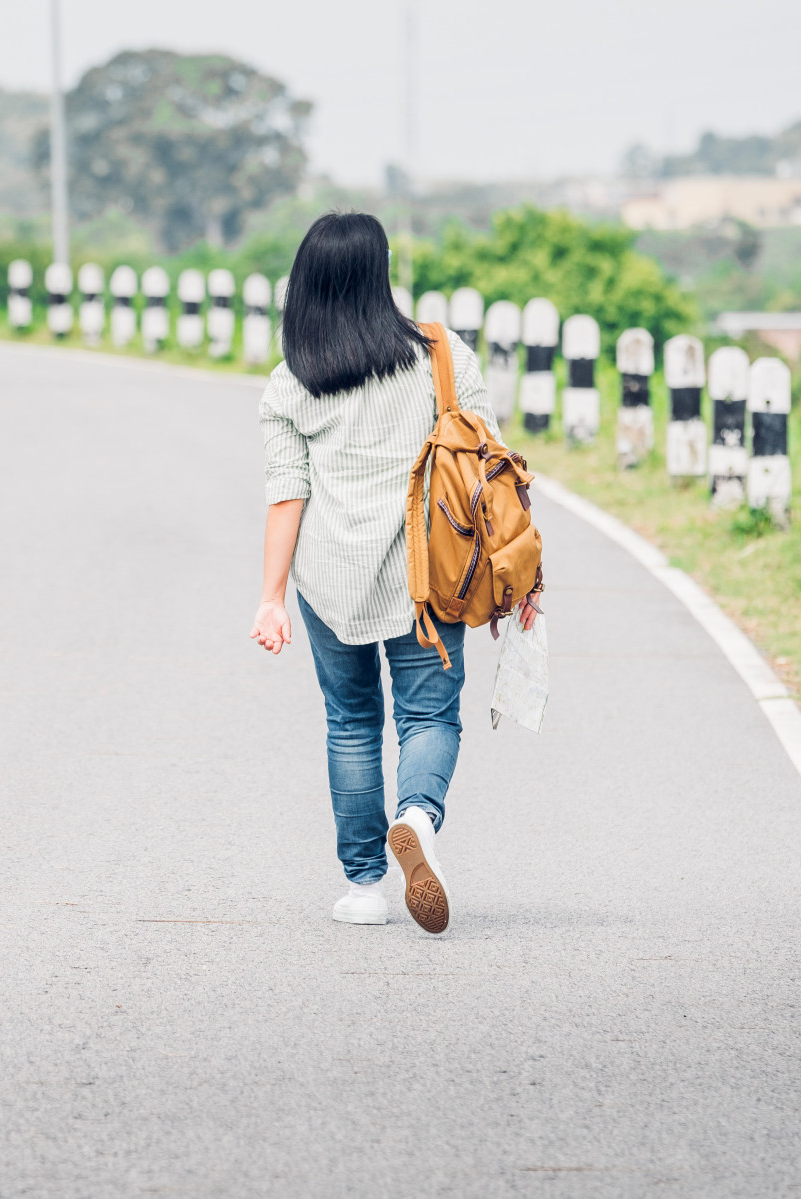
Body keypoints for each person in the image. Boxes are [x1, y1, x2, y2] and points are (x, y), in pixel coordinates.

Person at [250, 211, 533, 934]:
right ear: (380, 275)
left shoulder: (292, 381)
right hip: (432, 575)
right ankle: (416, 816)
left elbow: (288, 494)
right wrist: (521, 575)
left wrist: (271, 597)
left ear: (305, 284)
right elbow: (492, 469)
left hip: (328, 578)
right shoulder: (441, 355)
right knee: (430, 713)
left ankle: (366, 887)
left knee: (350, 723)